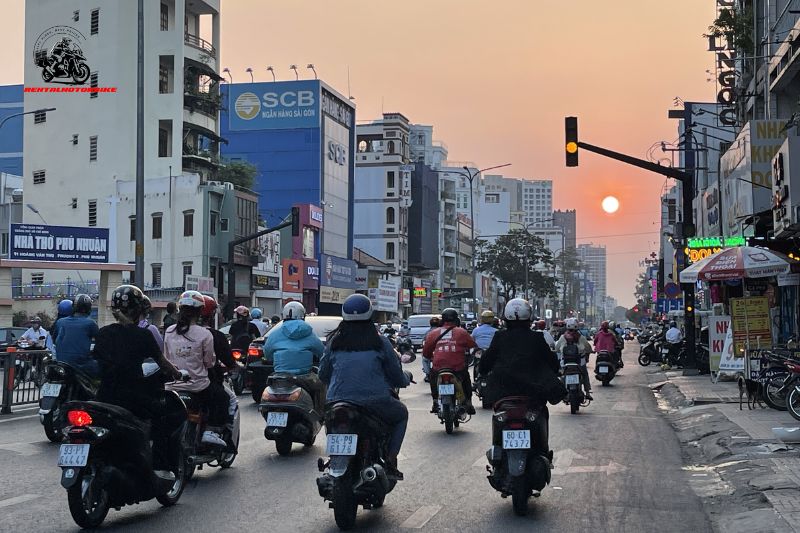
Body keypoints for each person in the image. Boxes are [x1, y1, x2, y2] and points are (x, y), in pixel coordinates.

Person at [91, 285, 183, 471]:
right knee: (166, 417)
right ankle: (160, 465)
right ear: (139, 309)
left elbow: (97, 363)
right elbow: (163, 362)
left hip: (104, 396)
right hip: (133, 397)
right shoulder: (143, 334)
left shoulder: (102, 333)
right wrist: (178, 374)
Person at [319, 294, 410, 479]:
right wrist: (404, 380)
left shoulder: (334, 343)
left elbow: (323, 374)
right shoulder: (380, 342)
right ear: (370, 316)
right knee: (401, 415)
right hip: (375, 401)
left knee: (332, 421)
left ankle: (333, 458)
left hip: (336, 400)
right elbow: (396, 374)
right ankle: (391, 458)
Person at [479, 298, 560, 457]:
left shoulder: (499, 337)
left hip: (503, 394)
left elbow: (484, 365)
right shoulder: (537, 338)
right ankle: (543, 452)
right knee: (542, 413)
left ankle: (497, 450)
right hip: (533, 393)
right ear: (529, 318)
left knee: (498, 419)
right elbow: (553, 365)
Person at [164, 290, 229, 447]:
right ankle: (211, 431)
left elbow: (166, 358)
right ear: (200, 311)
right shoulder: (204, 334)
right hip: (198, 386)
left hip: (171, 387)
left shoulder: (169, 331)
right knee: (223, 398)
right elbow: (209, 362)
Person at [262, 301, 326, 409]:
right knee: (321, 385)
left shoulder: (275, 333)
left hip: (279, 377)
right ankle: (320, 415)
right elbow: (321, 352)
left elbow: (267, 354)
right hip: (304, 377)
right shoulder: (309, 333)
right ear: (302, 315)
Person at [423, 307, 477, 415]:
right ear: (457, 320)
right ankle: (468, 402)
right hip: (457, 368)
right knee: (466, 379)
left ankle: (435, 401)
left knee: (432, 378)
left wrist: (431, 357)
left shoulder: (433, 333)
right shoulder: (462, 332)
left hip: (438, 367)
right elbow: (473, 346)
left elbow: (426, 352)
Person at [199, 295, 239, 424]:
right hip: (205, 382)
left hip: (177, 382)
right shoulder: (212, 335)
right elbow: (218, 361)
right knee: (230, 400)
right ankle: (217, 430)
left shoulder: (175, 332)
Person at [53, 294, 100, 378]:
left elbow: (55, 339)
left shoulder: (60, 322)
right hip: (80, 365)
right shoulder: (91, 323)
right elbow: (100, 342)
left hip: (60, 363)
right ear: (89, 308)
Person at [555, 318, 593, 401]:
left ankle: (562, 393)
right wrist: (590, 351)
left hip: (565, 362)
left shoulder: (562, 337)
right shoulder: (581, 337)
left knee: (562, 376)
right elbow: (588, 348)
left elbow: (557, 348)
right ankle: (587, 392)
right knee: (585, 374)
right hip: (580, 362)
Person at [422, 316, 440, 382]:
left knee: (425, 359)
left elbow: (424, 343)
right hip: (441, 351)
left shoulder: (428, 333)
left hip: (431, 352)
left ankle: (427, 374)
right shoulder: (444, 331)